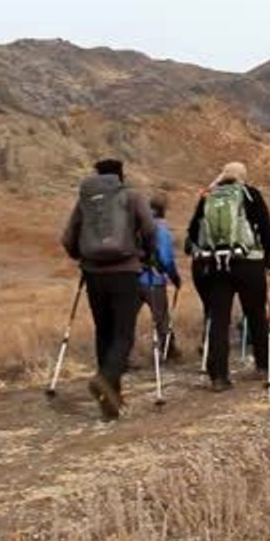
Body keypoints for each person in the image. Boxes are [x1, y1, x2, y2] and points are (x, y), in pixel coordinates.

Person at [60, 158, 156, 420]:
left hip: (93, 275)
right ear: (120, 175)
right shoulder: (132, 196)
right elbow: (149, 228)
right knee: (123, 334)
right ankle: (105, 379)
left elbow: (68, 238)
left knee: (104, 333)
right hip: (125, 272)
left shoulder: (85, 201)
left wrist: (84, 258)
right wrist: (147, 255)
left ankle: (110, 398)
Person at [185, 162, 270, 391]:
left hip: (216, 264)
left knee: (218, 318)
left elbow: (192, 232)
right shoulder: (250, 195)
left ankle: (218, 375)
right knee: (256, 313)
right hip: (248, 262)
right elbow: (266, 228)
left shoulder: (208, 196)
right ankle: (264, 364)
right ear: (242, 177)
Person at [139, 193, 182, 361]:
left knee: (125, 320)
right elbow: (166, 257)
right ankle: (168, 352)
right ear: (164, 209)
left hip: (133, 277)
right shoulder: (161, 229)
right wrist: (174, 277)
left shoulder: (137, 225)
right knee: (161, 318)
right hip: (154, 279)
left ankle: (121, 355)